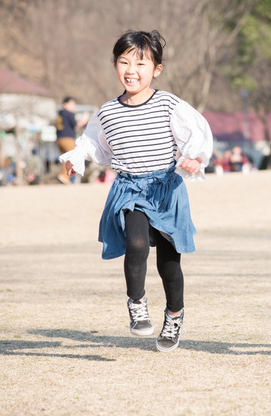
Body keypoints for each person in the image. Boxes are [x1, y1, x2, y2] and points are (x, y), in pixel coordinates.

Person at [59, 30, 212, 352]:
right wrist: (76, 158)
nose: (131, 70)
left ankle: (174, 316)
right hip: (129, 187)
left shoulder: (169, 104)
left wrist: (195, 159)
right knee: (137, 243)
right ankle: (137, 304)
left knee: (170, 265)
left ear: (156, 69)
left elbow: (194, 137)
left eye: (141, 63)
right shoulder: (108, 112)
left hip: (165, 188)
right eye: (124, 62)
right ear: (115, 65)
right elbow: (92, 144)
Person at [55, 96, 88, 184]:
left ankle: (63, 177)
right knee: (74, 155)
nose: (74, 106)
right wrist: (84, 120)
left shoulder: (60, 113)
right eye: (72, 104)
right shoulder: (68, 113)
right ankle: (66, 176)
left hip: (59, 139)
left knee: (65, 159)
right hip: (67, 138)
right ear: (65, 104)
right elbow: (76, 125)